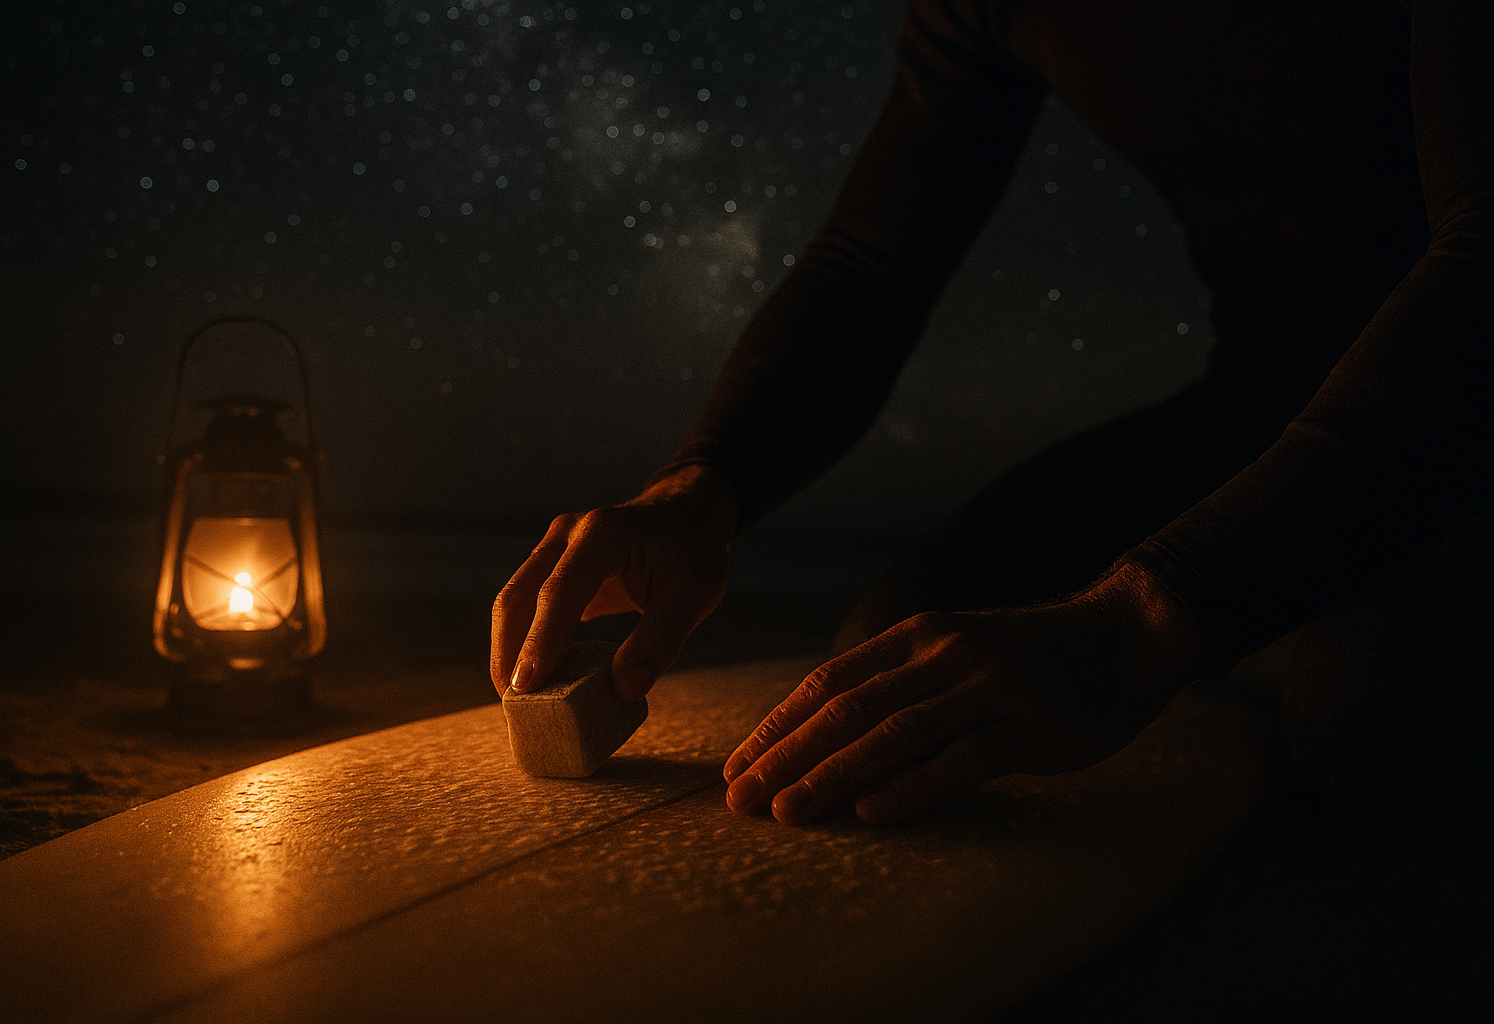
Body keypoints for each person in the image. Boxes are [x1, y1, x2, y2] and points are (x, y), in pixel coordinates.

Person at [491, 0, 1493, 826]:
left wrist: (1147, 618)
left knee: (1375, 721)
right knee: (896, 665)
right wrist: (706, 482)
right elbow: (872, 267)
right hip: (1267, 393)